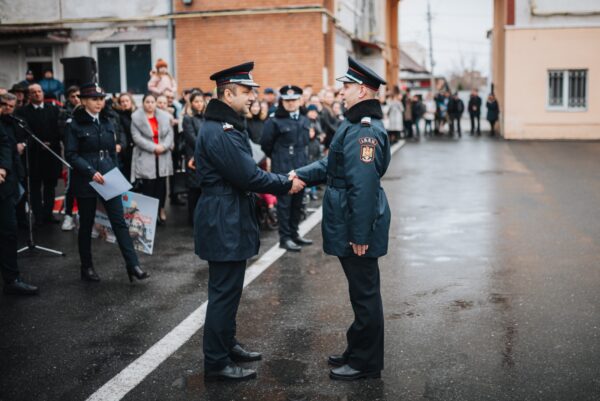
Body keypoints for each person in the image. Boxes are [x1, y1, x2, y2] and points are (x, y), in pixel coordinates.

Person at [194, 62, 305, 382]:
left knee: (230, 289)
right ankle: (216, 362)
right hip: (222, 215)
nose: (252, 97)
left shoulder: (225, 127)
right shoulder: (222, 132)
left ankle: (226, 344)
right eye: (246, 92)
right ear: (227, 94)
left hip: (228, 212)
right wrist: (286, 183)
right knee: (223, 292)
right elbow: (249, 175)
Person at [293, 56, 391, 381]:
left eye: (346, 86)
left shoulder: (364, 132)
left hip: (356, 222)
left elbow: (362, 189)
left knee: (365, 295)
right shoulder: (351, 124)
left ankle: (366, 363)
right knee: (359, 292)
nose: (341, 91)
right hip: (349, 217)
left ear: (362, 90)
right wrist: (298, 175)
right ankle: (357, 350)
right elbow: (328, 165)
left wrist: (361, 235)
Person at [64, 83, 148, 283]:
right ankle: (87, 267)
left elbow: (110, 152)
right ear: (83, 101)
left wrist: (116, 173)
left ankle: (133, 265)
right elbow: (71, 154)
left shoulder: (108, 121)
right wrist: (90, 172)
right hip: (86, 181)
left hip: (109, 177)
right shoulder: (74, 124)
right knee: (86, 224)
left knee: (119, 221)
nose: (99, 102)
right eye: (94, 99)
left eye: (101, 98)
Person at [260, 85, 312, 252]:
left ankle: (295, 234)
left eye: (294, 100)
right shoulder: (274, 120)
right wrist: (277, 159)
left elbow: (305, 144)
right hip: (283, 167)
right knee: (284, 204)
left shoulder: (304, 118)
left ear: (300, 100)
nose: (290, 103)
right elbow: (266, 144)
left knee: (298, 203)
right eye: (287, 100)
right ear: (282, 101)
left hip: (301, 165)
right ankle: (285, 238)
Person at [0, 123, 39, 295]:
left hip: (3, 187)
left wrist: (3, 167)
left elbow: (4, 143)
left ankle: (12, 280)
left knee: (9, 232)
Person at [15, 83, 62, 225]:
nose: (37, 94)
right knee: (34, 188)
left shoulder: (53, 109)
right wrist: (37, 144)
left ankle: (48, 215)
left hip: (51, 153)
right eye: (33, 92)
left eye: (39, 91)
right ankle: (38, 216)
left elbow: (59, 129)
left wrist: (51, 143)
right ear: (29, 95)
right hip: (33, 156)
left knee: (50, 187)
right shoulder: (22, 112)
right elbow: (23, 132)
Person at [131, 93, 174, 223]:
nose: (150, 104)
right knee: (148, 186)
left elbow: (170, 134)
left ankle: (161, 209)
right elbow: (136, 137)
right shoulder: (136, 118)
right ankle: (149, 213)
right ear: (143, 103)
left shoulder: (165, 117)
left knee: (161, 185)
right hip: (146, 155)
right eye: (147, 102)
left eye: (152, 102)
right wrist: (153, 147)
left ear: (156, 104)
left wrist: (163, 146)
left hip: (163, 155)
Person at [181, 91, 205, 224]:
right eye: (196, 101)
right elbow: (192, 139)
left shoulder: (205, 117)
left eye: (201, 101)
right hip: (193, 157)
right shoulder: (187, 118)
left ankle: (201, 217)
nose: (199, 104)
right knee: (194, 189)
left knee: (203, 188)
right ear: (191, 103)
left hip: (205, 156)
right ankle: (193, 218)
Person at [60, 86, 81, 231]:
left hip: (88, 155)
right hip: (73, 155)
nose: (76, 99)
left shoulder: (88, 110)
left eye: (78, 96)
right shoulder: (63, 113)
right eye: (73, 96)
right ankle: (68, 216)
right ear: (68, 98)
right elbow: (63, 133)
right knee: (71, 187)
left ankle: (82, 215)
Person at [115, 93, 136, 181]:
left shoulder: (136, 114)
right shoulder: (118, 116)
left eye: (127, 101)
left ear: (131, 102)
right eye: (122, 101)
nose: (125, 103)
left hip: (135, 147)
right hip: (125, 149)